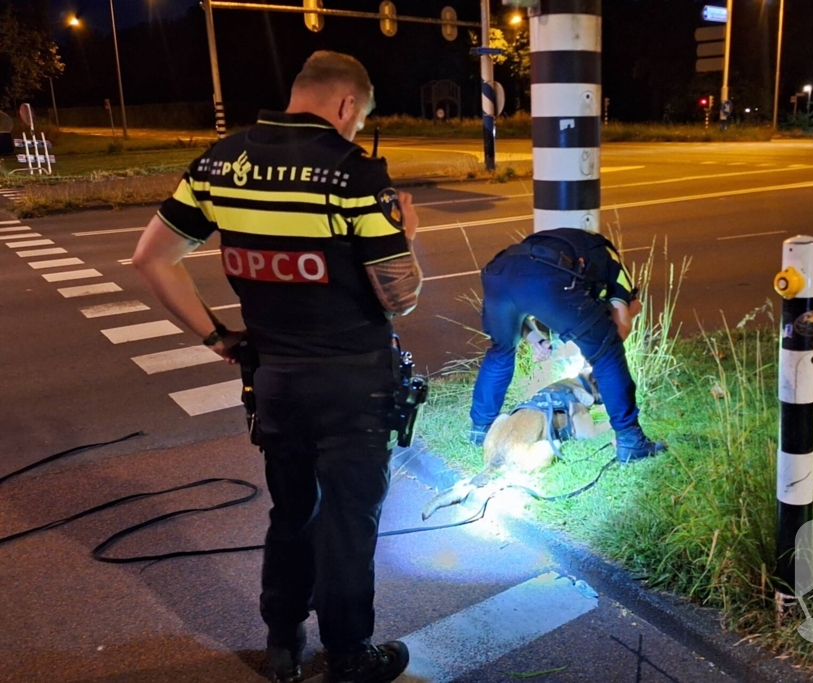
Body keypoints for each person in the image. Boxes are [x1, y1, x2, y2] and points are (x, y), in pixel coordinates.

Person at [132, 51, 421, 683]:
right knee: (349, 521)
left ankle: (283, 645)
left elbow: (152, 258)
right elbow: (400, 295)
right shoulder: (354, 174)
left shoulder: (218, 163)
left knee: (292, 511)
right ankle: (349, 655)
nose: (355, 127)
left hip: (276, 380)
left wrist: (217, 337)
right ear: (348, 105)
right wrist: (409, 234)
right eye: (360, 117)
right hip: (353, 384)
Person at [469, 228, 667, 464]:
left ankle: (481, 430)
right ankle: (631, 441)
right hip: (546, 277)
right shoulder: (614, 265)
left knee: (501, 352)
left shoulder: (572, 249)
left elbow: (520, 300)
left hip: (499, 274)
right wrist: (599, 344)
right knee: (608, 354)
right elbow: (622, 326)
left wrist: (536, 339)